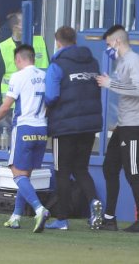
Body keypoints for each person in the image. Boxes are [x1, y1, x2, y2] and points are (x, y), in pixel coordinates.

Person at [44, 26, 103, 231]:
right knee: (81, 169)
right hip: (89, 126)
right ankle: (94, 201)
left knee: (62, 171)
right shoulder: (92, 62)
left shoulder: (57, 64)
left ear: (58, 42)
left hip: (64, 126)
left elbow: (51, 95)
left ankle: (62, 219)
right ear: (75, 40)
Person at [0, 44, 50, 233]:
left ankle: (39, 209)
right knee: (25, 176)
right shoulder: (45, 76)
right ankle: (16, 216)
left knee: (17, 173)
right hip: (42, 129)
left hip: (24, 127)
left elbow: (6, 106)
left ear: (18, 59)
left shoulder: (18, 76)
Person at [96, 25, 139, 232]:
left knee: (133, 173)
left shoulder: (133, 60)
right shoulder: (122, 63)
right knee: (109, 167)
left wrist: (110, 83)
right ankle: (109, 218)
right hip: (123, 125)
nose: (107, 48)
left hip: (134, 126)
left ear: (117, 42)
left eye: (108, 44)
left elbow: (138, 89)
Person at [0, 11, 49, 127]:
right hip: (11, 105)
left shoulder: (40, 41)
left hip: (36, 103)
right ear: (16, 27)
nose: (31, 25)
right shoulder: (2, 47)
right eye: (26, 22)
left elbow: (48, 69)